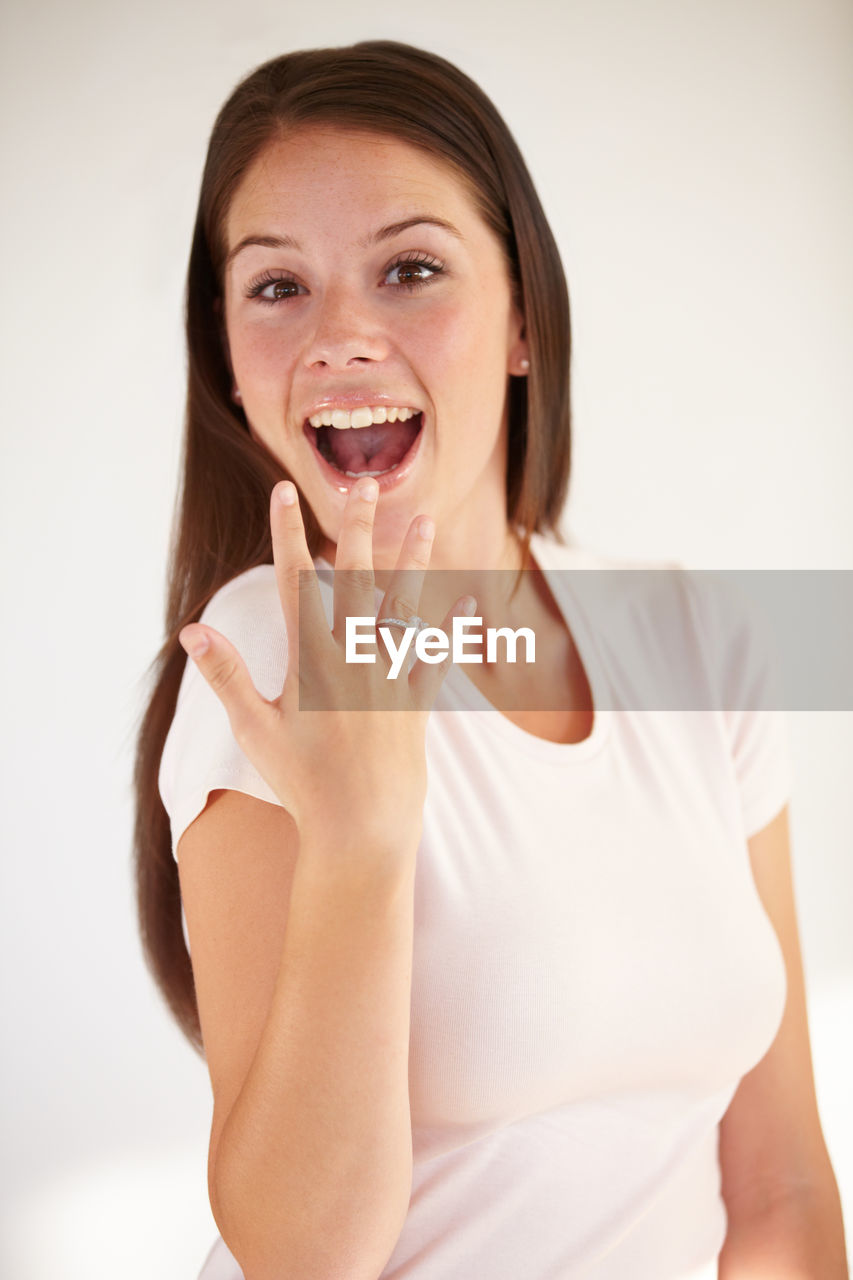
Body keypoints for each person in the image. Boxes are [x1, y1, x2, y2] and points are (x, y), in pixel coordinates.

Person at [134, 40, 847, 1280]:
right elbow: (299, 1256)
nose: (342, 336)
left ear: (523, 320)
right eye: (277, 286)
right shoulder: (261, 651)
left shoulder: (701, 637)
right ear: (226, 350)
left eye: (409, 269)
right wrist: (363, 840)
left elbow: (779, 1181)